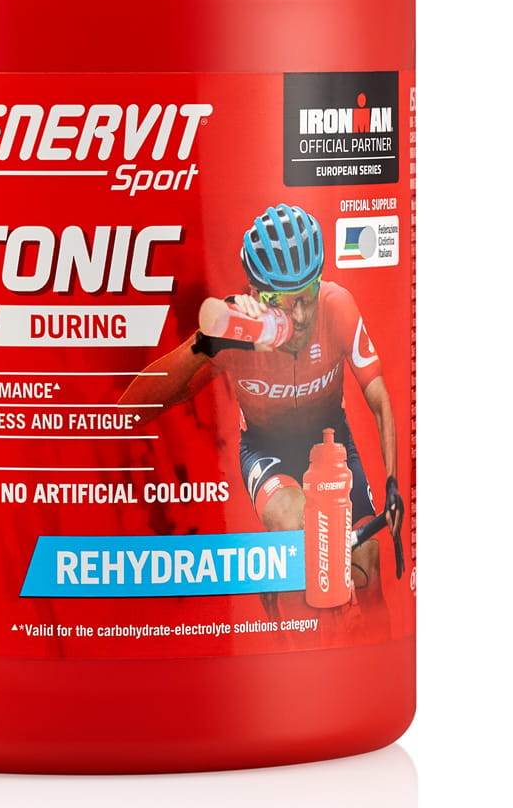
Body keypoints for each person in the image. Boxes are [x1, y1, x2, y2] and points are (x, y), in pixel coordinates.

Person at [120, 203, 402, 601]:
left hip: (332, 443)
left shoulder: (337, 306)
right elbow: (130, 409)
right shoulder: (240, 332)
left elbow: (380, 398)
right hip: (267, 451)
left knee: (368, 564)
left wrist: (392, 483)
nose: (299, 315)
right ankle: (284, 609)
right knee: (298, 523)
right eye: (283, 299)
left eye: (308, 295)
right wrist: (204, 345)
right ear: (257, 293)